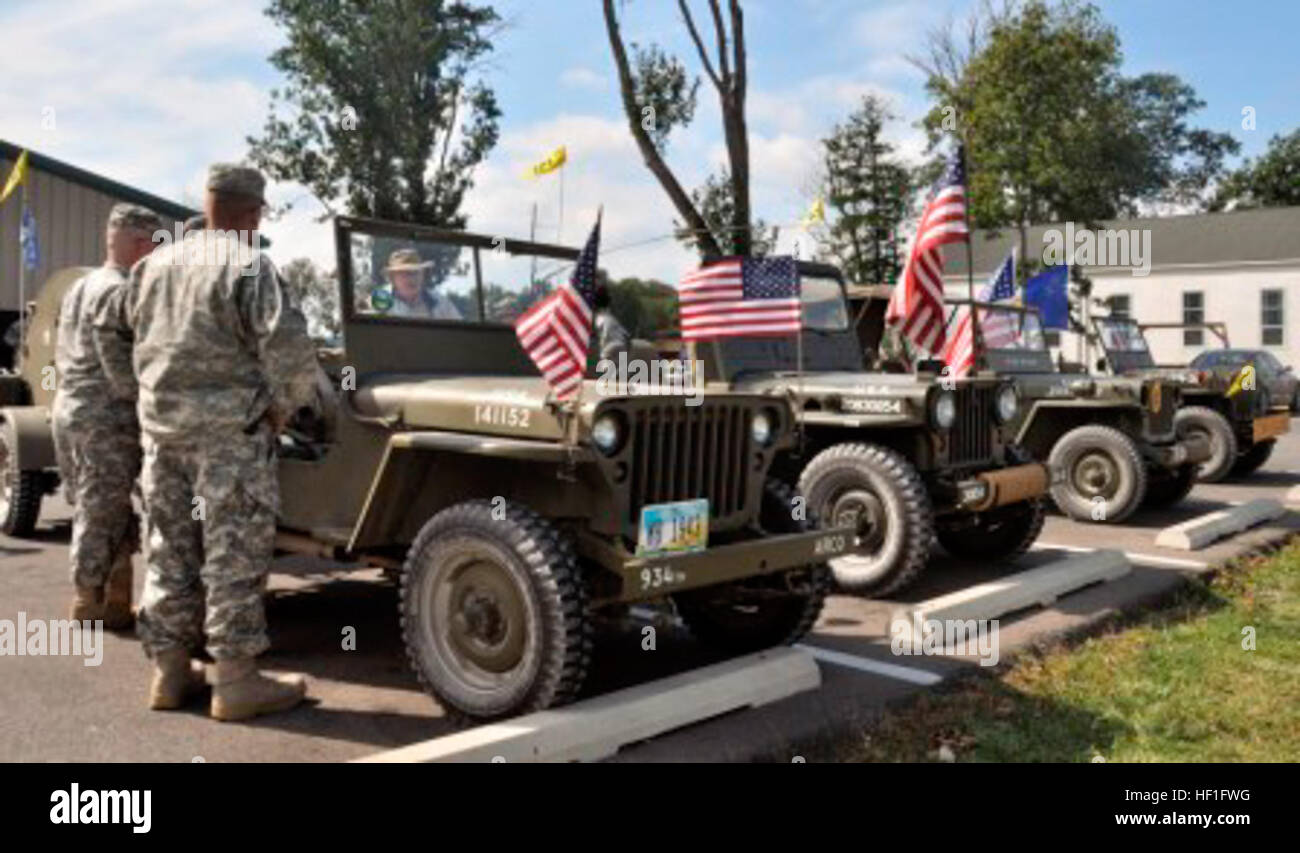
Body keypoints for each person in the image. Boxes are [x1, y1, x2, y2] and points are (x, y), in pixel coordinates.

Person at [95, 164, 319, 720]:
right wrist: (280, 411)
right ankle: (237, 681)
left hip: (163, 436)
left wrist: (138, 393)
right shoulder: (249, 265)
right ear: (253, 213)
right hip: (230, 441)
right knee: (232, 555)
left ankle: (169, 674)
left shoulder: (151, 267)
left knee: (170, 550)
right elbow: (290, 350)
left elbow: (111, 331)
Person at [53, 202, 162, 629]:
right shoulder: (117, 289)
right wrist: (149, 404)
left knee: (95, 504)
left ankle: (111, 601)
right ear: (138, 242)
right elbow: (120, 370)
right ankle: (90, 599)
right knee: (103, 509)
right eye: (154, 244)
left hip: (73, 409)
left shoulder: (83, 284)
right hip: (105, 417)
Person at [380, 248, 461, 320]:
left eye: (416, 272)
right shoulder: (379, 300)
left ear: (422, 275)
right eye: (406, 273)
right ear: (393, 278)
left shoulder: (440, 303)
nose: (412, 279)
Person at [592, 283, 630, 361]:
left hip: (614, 344)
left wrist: (602, 346)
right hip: (622, 344)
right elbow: (625, 334)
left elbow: (605, 333)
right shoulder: (611, 318)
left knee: (604, 358)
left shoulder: (602, 318)